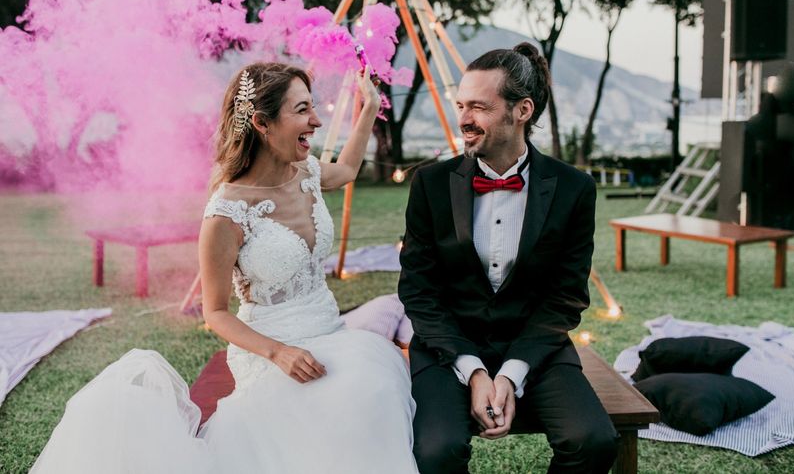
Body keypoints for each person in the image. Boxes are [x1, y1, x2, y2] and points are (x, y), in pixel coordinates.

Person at [32, 62, 418, 474]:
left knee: (373, 390)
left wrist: (369, 106)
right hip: (271, 352)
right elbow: (215, 313)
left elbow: (346, 170)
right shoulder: (226, 212)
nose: (316, 120)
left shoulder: (306, 171)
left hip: (330, 333)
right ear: (262, 123)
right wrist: (279, 353)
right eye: (302, 110)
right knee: (332, 420)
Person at [398, 43, 618, 473]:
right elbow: (419, 293)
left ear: (522, 111)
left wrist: (511, 373)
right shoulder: (430, 184)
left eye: (479, 107)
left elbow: (565, 297)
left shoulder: (574, 189)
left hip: (536, 347)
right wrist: (475, 371)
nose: (464, 119)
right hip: (448, 349)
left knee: (593, 441)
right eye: (461, 105)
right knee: (435, 451)